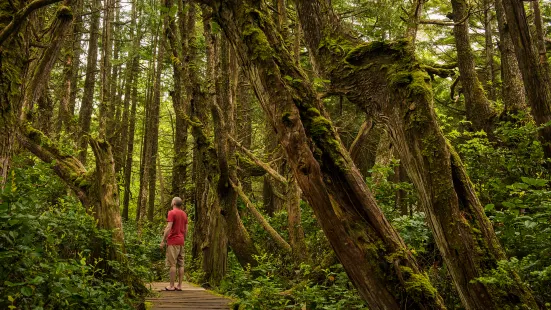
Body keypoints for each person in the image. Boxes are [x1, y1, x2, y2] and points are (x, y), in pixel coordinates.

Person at [160, 197, 188, 291]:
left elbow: (168, 227)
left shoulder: (172, 212)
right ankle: (179, 285)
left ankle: (171, 286)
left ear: (174, 203)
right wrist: (183, 239)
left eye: (172, 200)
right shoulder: (184, 214)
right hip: (181, 241)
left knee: (172, 264)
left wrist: (163, 240)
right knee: (181, 264)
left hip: (173, 241)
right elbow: (186, 229)